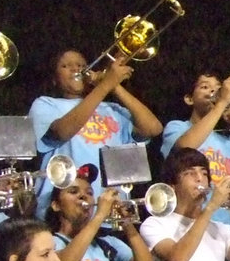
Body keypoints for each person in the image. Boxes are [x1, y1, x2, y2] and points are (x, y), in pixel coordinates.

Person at [28, 49, 162, 214]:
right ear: (55, 79)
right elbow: (62, 132)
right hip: (62, 212)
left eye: (81, 65)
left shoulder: (112, 109)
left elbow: (153, 128)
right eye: (65, 66)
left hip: (111, 210)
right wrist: (105, 86)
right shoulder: (46, 104)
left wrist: (114, 87)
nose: (75, 69)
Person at [160, 70, 230, 229]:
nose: (213, 91)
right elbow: (185, 148)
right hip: (185, 224)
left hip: (224, 228)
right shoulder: (177, 127)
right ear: (189, 99)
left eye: (218, 88)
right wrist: (221, 104)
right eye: (205, 87)